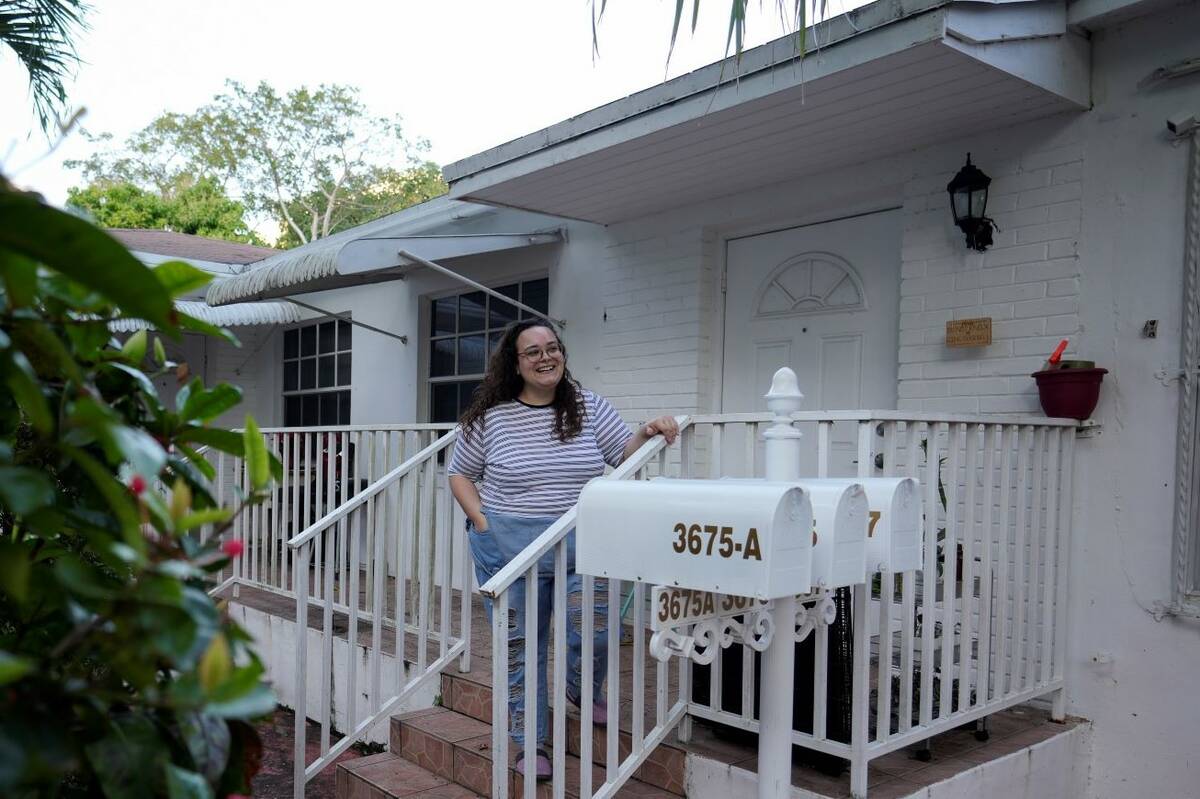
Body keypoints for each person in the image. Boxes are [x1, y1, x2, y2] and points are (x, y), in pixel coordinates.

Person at [447, 318, 679, 780]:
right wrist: (482, 521)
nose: (545, 357)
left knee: (594, 628)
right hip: (509, 548)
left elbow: (623, 454)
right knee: (522, 649)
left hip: (583, 542)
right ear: (514, 363)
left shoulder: (589, 407)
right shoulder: (492, 416)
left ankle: (581, 687)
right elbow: (459, 473)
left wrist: (649, 431)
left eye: (552, 347)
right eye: (532, 351)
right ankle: (528, 741)